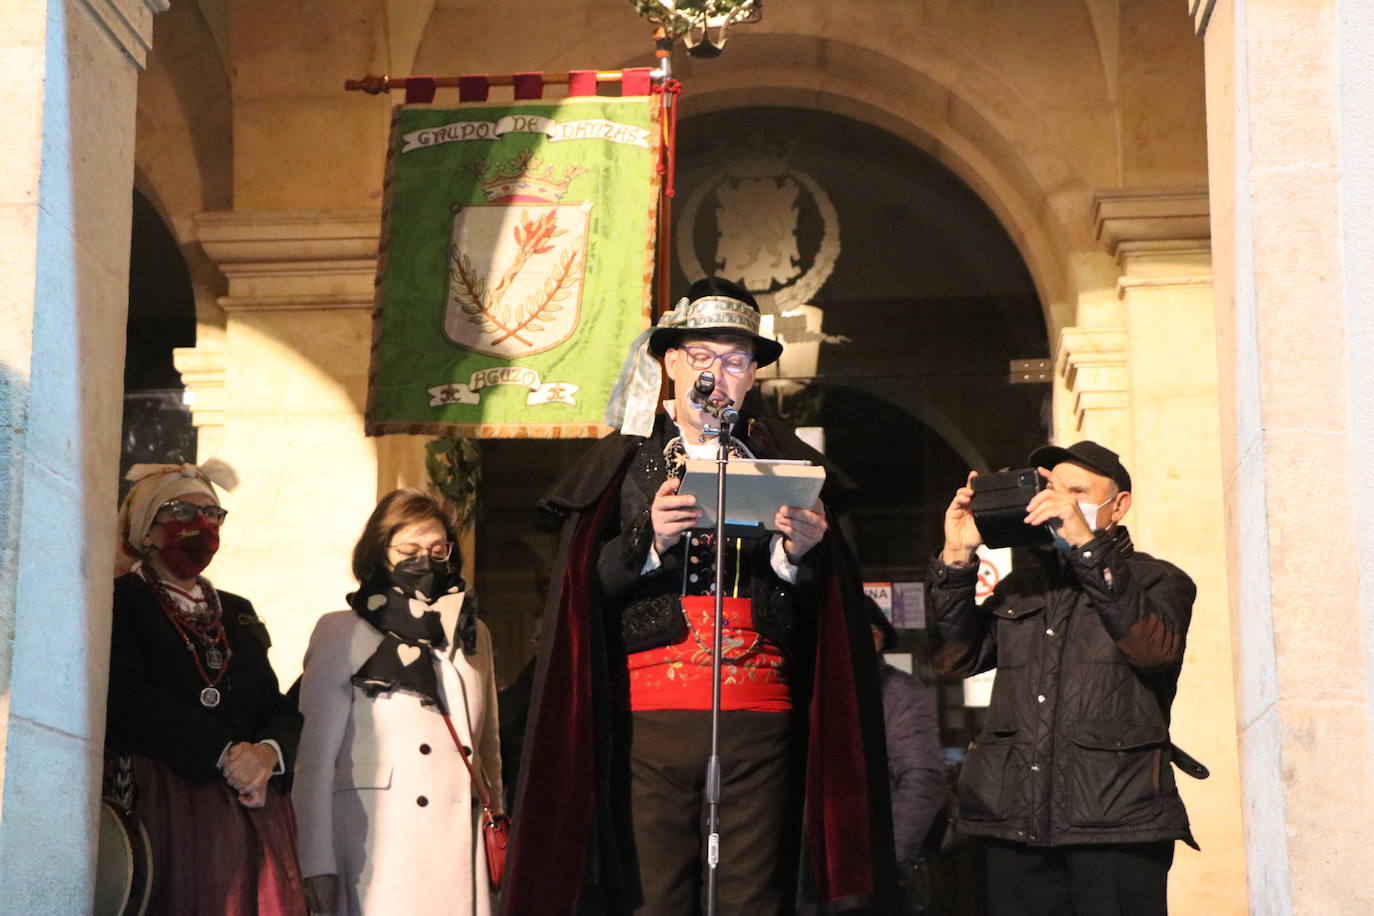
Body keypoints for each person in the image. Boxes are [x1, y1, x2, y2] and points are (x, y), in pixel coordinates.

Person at [504, 278, 895, 915]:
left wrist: (799, 559)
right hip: (652, 719)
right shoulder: (625, 464)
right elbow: (577, 592)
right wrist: (648, 544)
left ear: (754, 377)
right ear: (669, 364)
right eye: (703, 358)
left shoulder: (784, 463)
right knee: (656, 898)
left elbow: (826, 618)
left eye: (737, 361)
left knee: (751, 899)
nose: (719, 374)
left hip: (761, 715)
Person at [926, 441, 1200, 916]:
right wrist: (956, 558)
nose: (1063, 502)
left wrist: (1085, 546)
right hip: (1016, 823)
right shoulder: (1023, 587)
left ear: (1119, 505)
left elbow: (1153, 650)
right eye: (1055, 491)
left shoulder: (1159, 580)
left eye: (1078, 492)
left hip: (1118, 823)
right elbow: (954, 659)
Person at [105, 460, 305, 915]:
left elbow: (274, 705)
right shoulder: (122, 601)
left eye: (212, 514)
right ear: (148, 530)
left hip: (248, 800)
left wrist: (267, 754)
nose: (201, 525)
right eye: (180, 512)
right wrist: (225, 752)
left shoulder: (237, 611)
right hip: (167, 799)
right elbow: (129, 699)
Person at [292, 489, 502, 916]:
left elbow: (489, 750)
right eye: (409, 549)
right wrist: (316, 863)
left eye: (438, 549)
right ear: (380, 552)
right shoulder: (341, 632)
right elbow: (313, 762)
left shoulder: (471, 632)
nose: (425, 561)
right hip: (376, 849)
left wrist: (497, 828)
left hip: (460, 845)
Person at [865, 598, 946, 914]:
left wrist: (892, 860)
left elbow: (922, 778)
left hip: (878, 871)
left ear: (874, 639)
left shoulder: (897, 691)